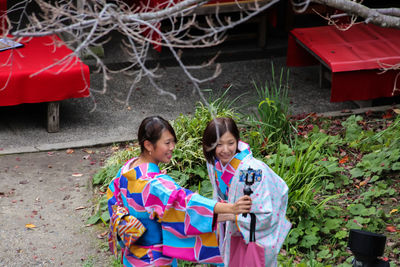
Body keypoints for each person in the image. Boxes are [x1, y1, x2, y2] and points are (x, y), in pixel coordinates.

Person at [107, 116, 252, 266]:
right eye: (167, 143)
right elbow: (186, 203)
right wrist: (232, 208)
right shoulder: (154, 184)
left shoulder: (127, 169)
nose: (172, 147)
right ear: (149, 145)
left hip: (132, 257)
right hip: (155, 258)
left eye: (173, 141)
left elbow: (113, 199)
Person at [202, 117, 291, 267]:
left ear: (237, 140)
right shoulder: (213, 163)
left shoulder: (253, 171)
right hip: (225, 227)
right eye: (219, 144)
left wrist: (229, 215)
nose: (225, 150)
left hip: (244, 232)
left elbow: (265, 214)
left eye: (230, 143)